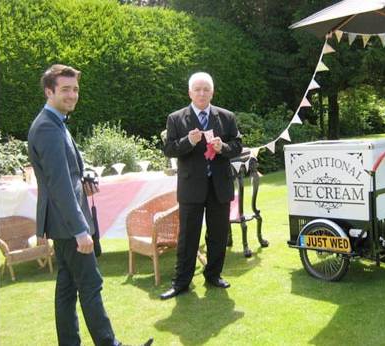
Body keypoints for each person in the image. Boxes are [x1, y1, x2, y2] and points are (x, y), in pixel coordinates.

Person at [28, 64, 153, 346]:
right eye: (65, 90)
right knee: (90, 284)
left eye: (75, 89)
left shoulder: (55, 122)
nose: (72, 95)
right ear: (49, 91)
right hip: (68, 224)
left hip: (61, 223)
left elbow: (67, 172)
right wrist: (80, 230)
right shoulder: (48, 127)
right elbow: (59, 185)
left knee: (67, 288)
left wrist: (84, 175)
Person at [160, 72, 242, 299]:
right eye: (198, 89)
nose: (202, 93)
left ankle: (213, 275)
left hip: (219, 186)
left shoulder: (226, 117)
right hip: (191, 188)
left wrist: (222, 148)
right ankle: (181, 282)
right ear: (190, 93)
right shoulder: (176, 118)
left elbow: (237, 146)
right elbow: (168, 149)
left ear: (212, 92)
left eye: (206, 89)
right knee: (188, 236)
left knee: (218, 234)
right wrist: (189, 141)